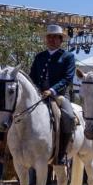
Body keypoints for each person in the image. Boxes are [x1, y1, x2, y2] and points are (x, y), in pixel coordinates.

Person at [29, 24, 76, 165]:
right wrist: (36, 90)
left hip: (59, 96)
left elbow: (67, 78)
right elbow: (32, 77)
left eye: (55, 37)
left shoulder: (68, 57)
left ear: (61, 40)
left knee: (68, 116)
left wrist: (52, 90)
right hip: (39, 95)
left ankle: (61, 154)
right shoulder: (39, 57)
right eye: (49, 37)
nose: (52, 40)